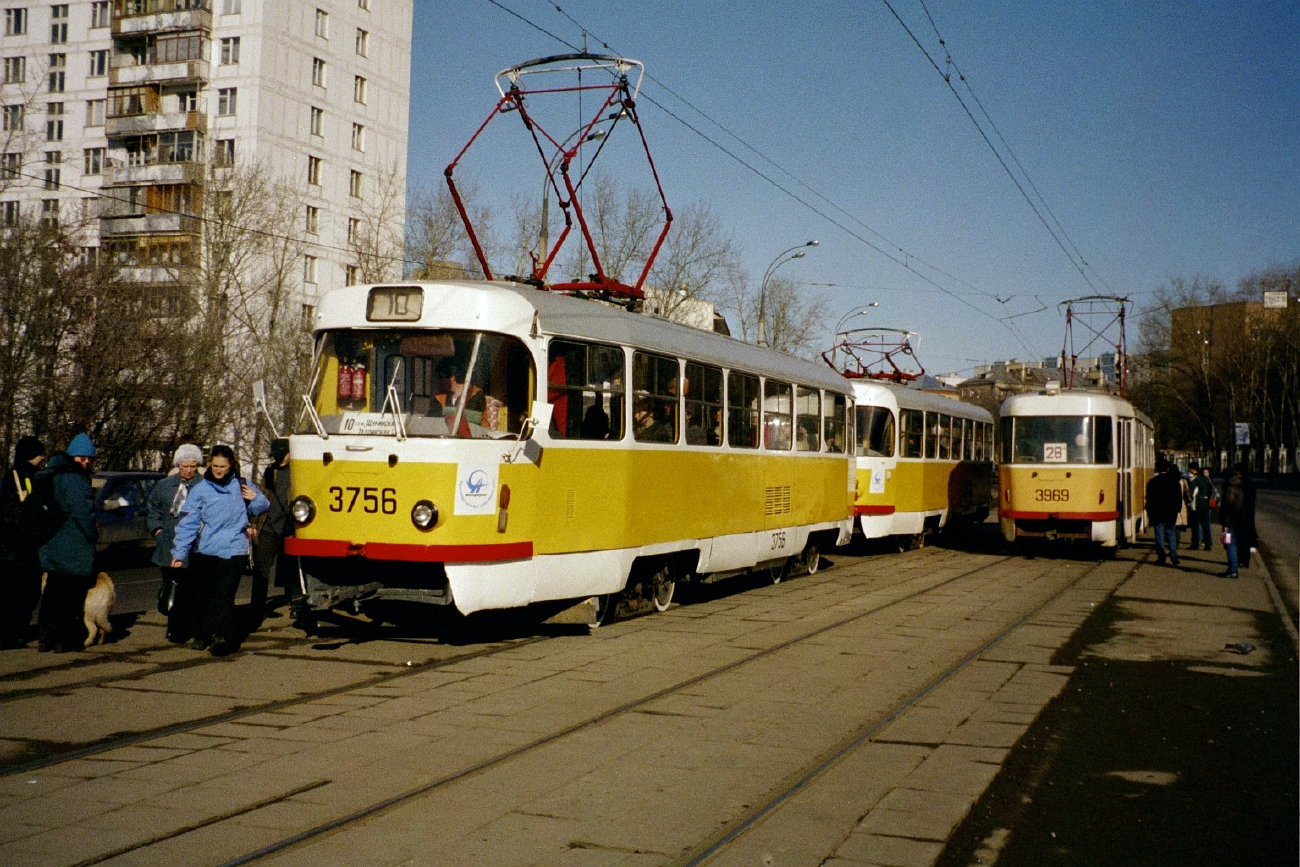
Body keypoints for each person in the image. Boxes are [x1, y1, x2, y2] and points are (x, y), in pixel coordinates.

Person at [170, 444, 268, 656]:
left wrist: (256, 498)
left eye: (222, 466)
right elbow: (188, 523)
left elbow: (262, 507)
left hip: (234, 551)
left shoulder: (241, 486)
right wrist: (179, 553)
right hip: (206, 550)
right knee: (203, 594)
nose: (218, 470)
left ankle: (221, 636)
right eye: (214, 465)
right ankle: (202, 634)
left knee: (224, 596)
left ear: (230, 465)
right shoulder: (200, 490)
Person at [37, 433, 98, 652]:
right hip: (73, 548)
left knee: (52, 594)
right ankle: (66, 640)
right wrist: (93, 535)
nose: (87, 462)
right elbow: (83, 513)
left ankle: (46, 638)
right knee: (71, 598)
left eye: (89, 458)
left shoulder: (50, 475)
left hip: (52, 545)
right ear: (73, 457)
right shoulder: (76, 480)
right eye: (82, 458)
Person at [146, 444, 203, 643]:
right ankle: (174, 626)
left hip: (194, 546)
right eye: (184, 465)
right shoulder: (165, 486)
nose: (188, 470)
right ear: (178, 465)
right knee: (171, 585)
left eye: (193, 466)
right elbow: (153, 509)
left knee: (190, 587)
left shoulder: (204, 486)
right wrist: (157, 530)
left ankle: (189, 627)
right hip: (168, 544)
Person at [0, 436, 46, 647]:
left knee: (21, 591)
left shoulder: (24, 475)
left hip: (20, 546)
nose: (42, 458)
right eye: (39, 454)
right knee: (20, 591)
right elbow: (11, 512)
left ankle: (16, 631)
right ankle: (12, 633)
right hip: (17, 546)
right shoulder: (18, 477)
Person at [253, 438, 293, 622]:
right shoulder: (270, 470)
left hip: (289, 525)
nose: (278, 459)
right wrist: (254, 524)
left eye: (281, 455)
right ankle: (257, 608)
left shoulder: (298, 470)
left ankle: (296, 603)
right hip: (269, 525)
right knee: (261, 567)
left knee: (292, 567)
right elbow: (262, 495)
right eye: (275, 456)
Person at [1145, 460, 1183, 567]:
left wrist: (1150, 512)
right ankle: (1174, 555)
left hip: (1157, 512)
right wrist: (1177, 509)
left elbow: (1149, 499)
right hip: (1171, 512)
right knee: (1171, 532)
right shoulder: (1174, 482)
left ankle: (1161, 557)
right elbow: (1178, 498)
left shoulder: (1152, 482)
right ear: (1168, 469)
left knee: (1159, 534)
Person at [1187, 463, 1216, 551]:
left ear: (1193, 470)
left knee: (1195, 526)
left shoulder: (1195, 479)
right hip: (1206, 505)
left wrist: (1189, 502)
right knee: (1206, 526)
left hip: (1197, 505)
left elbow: (1193, 493)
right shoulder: (1206, 478)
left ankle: (1195, 544)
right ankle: (1208, 544)